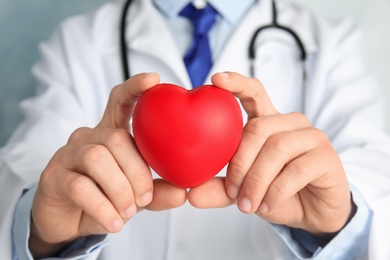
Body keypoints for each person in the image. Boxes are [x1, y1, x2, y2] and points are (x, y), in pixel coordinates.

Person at [1, 0, 389, 259]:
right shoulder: (79, 41)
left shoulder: (331, 43)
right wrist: (44, 232)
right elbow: (32, 161)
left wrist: (340, 222)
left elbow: (376, 174)